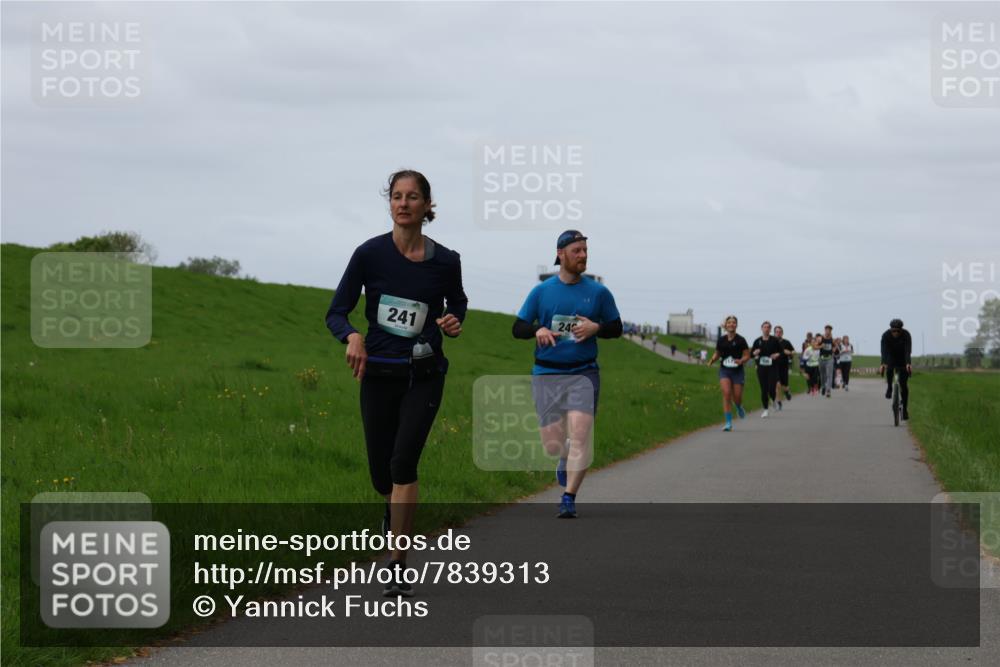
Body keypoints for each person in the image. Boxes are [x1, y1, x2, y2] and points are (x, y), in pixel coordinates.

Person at [326, 169, 467, 596]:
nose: (403, 203)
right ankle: (392, 514)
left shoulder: (446, 260)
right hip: (378, 374)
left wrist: (453, 319)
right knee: (381, 476)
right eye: (396, 196)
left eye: (412, 197)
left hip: (423, 374)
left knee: (404, 463)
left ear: (427, 206)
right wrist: (351, 336)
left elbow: (457, 301)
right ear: (390, 204)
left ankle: (398, 563)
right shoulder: (369, 255)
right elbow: (337, 311)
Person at [512, 230, 622, 519]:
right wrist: (537, 329)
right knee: (553, 442)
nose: (583, 255)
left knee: (582, 434)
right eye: (577, 251)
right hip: (547, 372)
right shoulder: (542, 291)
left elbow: (617, 327)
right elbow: (517, 327)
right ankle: (562, 459)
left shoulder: (598, 293)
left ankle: (569, 496)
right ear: (561, 254)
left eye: (586, 250)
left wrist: (597, 328)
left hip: (584, 372)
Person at [707, 315, 750, 431]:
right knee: (726, 393)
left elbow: (747, 355)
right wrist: (712, 360)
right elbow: (718, 353)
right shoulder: (721, 340)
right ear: (726, 325)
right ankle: (728, 423)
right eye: (729, 322)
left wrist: (741, 360)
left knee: (737, 397)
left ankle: (739, 407)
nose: (731, 324)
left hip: (737, 371)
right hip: (725, 370)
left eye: (734, 322)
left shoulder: (741, 340)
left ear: (736, 325)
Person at [879, 319, 913, 420]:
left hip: (903, 359)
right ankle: (889, 387)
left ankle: (905, 410)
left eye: (898, 331)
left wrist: (908, 363)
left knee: (903, 385)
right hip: (891, 357)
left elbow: (908, 350)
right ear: (890, 329)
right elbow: (883, 350)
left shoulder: (906, 334)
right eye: (893, 331)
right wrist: (883, 363)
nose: (895, 333)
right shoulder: (885, 335)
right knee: (889, 369)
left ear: (901, 330)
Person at [751, 321, 782, 418]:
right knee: (764, 389)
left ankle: (773, 400)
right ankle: (765, 409)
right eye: (764, 327)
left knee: (772, 388)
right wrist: (755, 353)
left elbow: (781, 352)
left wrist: (776, 355)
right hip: (761, 368)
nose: (766, 329)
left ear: (770, 329)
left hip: (772, 367)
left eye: (768, 327)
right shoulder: (757, 341)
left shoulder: (774, 340)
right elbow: (752, 354)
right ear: (761, 328)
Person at [773, 325, 795, 407]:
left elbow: (793, 352)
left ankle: (787, 392)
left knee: (784, 386)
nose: (778, 333)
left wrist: (789, 352)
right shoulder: (771, 342)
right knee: (777, 384)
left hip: (784, 366)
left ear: (782, 333)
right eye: (777, 332)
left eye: (780, 332)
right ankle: (779, 401)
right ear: (774, 333)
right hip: (774, 366)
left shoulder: (786, 342)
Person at [817, 325, 837, 397]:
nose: (828, 331)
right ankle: (823, 386)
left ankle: (828, 390)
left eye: (829, 330)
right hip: (822, 359)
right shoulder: (820, 338)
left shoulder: (832, 339)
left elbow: (835, 345)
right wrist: (820, 346)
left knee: (829, 375)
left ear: (831, 331)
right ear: (825, 330)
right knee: (822, 375)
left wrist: (834, 349)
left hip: (829, 359)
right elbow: (815, 346)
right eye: (827, 330)